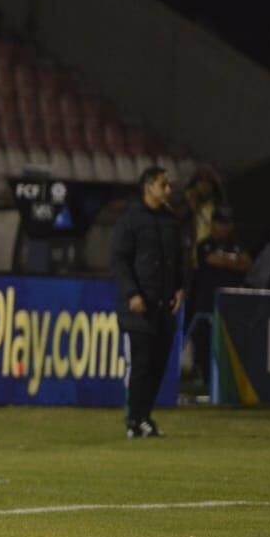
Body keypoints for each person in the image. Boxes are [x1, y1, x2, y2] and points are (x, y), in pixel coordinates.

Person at [111, 166, 185, 438]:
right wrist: (132, 293)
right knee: (139, 365)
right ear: (149, 186)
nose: (168, 190)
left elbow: (179, 259)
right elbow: (119, 260)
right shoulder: (130, 220)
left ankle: (144, 417)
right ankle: (133, 419)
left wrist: (179, 288)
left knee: (157, 365)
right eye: (163, 185)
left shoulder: (169, 220)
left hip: (163, 308)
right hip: (138, 310)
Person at [188, 208, 251, 388]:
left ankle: (228, 384)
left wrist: (229, 262)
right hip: (207, 306)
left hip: (232, 306)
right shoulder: (205, 244)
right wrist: (234, 262)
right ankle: (208, 382)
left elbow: (247, 264)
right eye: (221, 224)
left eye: (228, 224)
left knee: (233, 346)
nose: (225, 228)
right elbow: (213, 260)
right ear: (213, 225)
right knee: (206, 345)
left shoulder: (236, 244)